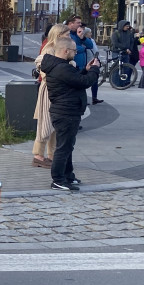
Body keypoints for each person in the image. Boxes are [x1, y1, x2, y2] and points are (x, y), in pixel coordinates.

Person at [42, 37, 99, 191]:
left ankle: (68, 176)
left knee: (67, 146)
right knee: (63, 147)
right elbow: (84, 82)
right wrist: (94, 70)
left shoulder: (61, 66)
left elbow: (75, 80)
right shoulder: (61, 68)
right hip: (65, 112)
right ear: (66, 51)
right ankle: (58, 180)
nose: (75, 53)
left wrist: (85, 70)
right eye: (74, 50)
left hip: (67, 111)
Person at [30, 24, 68, 168]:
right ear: (58, 35)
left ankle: (51, 155)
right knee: (45, 123)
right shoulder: (49, 48)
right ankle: (38, 156)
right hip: (49, 89)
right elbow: (44, 69)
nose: (69, 37)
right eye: (66, 34)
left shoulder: (58, 47)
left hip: (56, 89)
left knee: (54, 124)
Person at [77, 27, 102, 105]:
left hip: (93, 61)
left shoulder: (91, 40)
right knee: (85, 82)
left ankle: (94, 97)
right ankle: (85, 99)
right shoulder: (83, 42)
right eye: (89, 33)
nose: (91, 34)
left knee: (95, 81)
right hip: (87, 63)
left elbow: (95, 50)